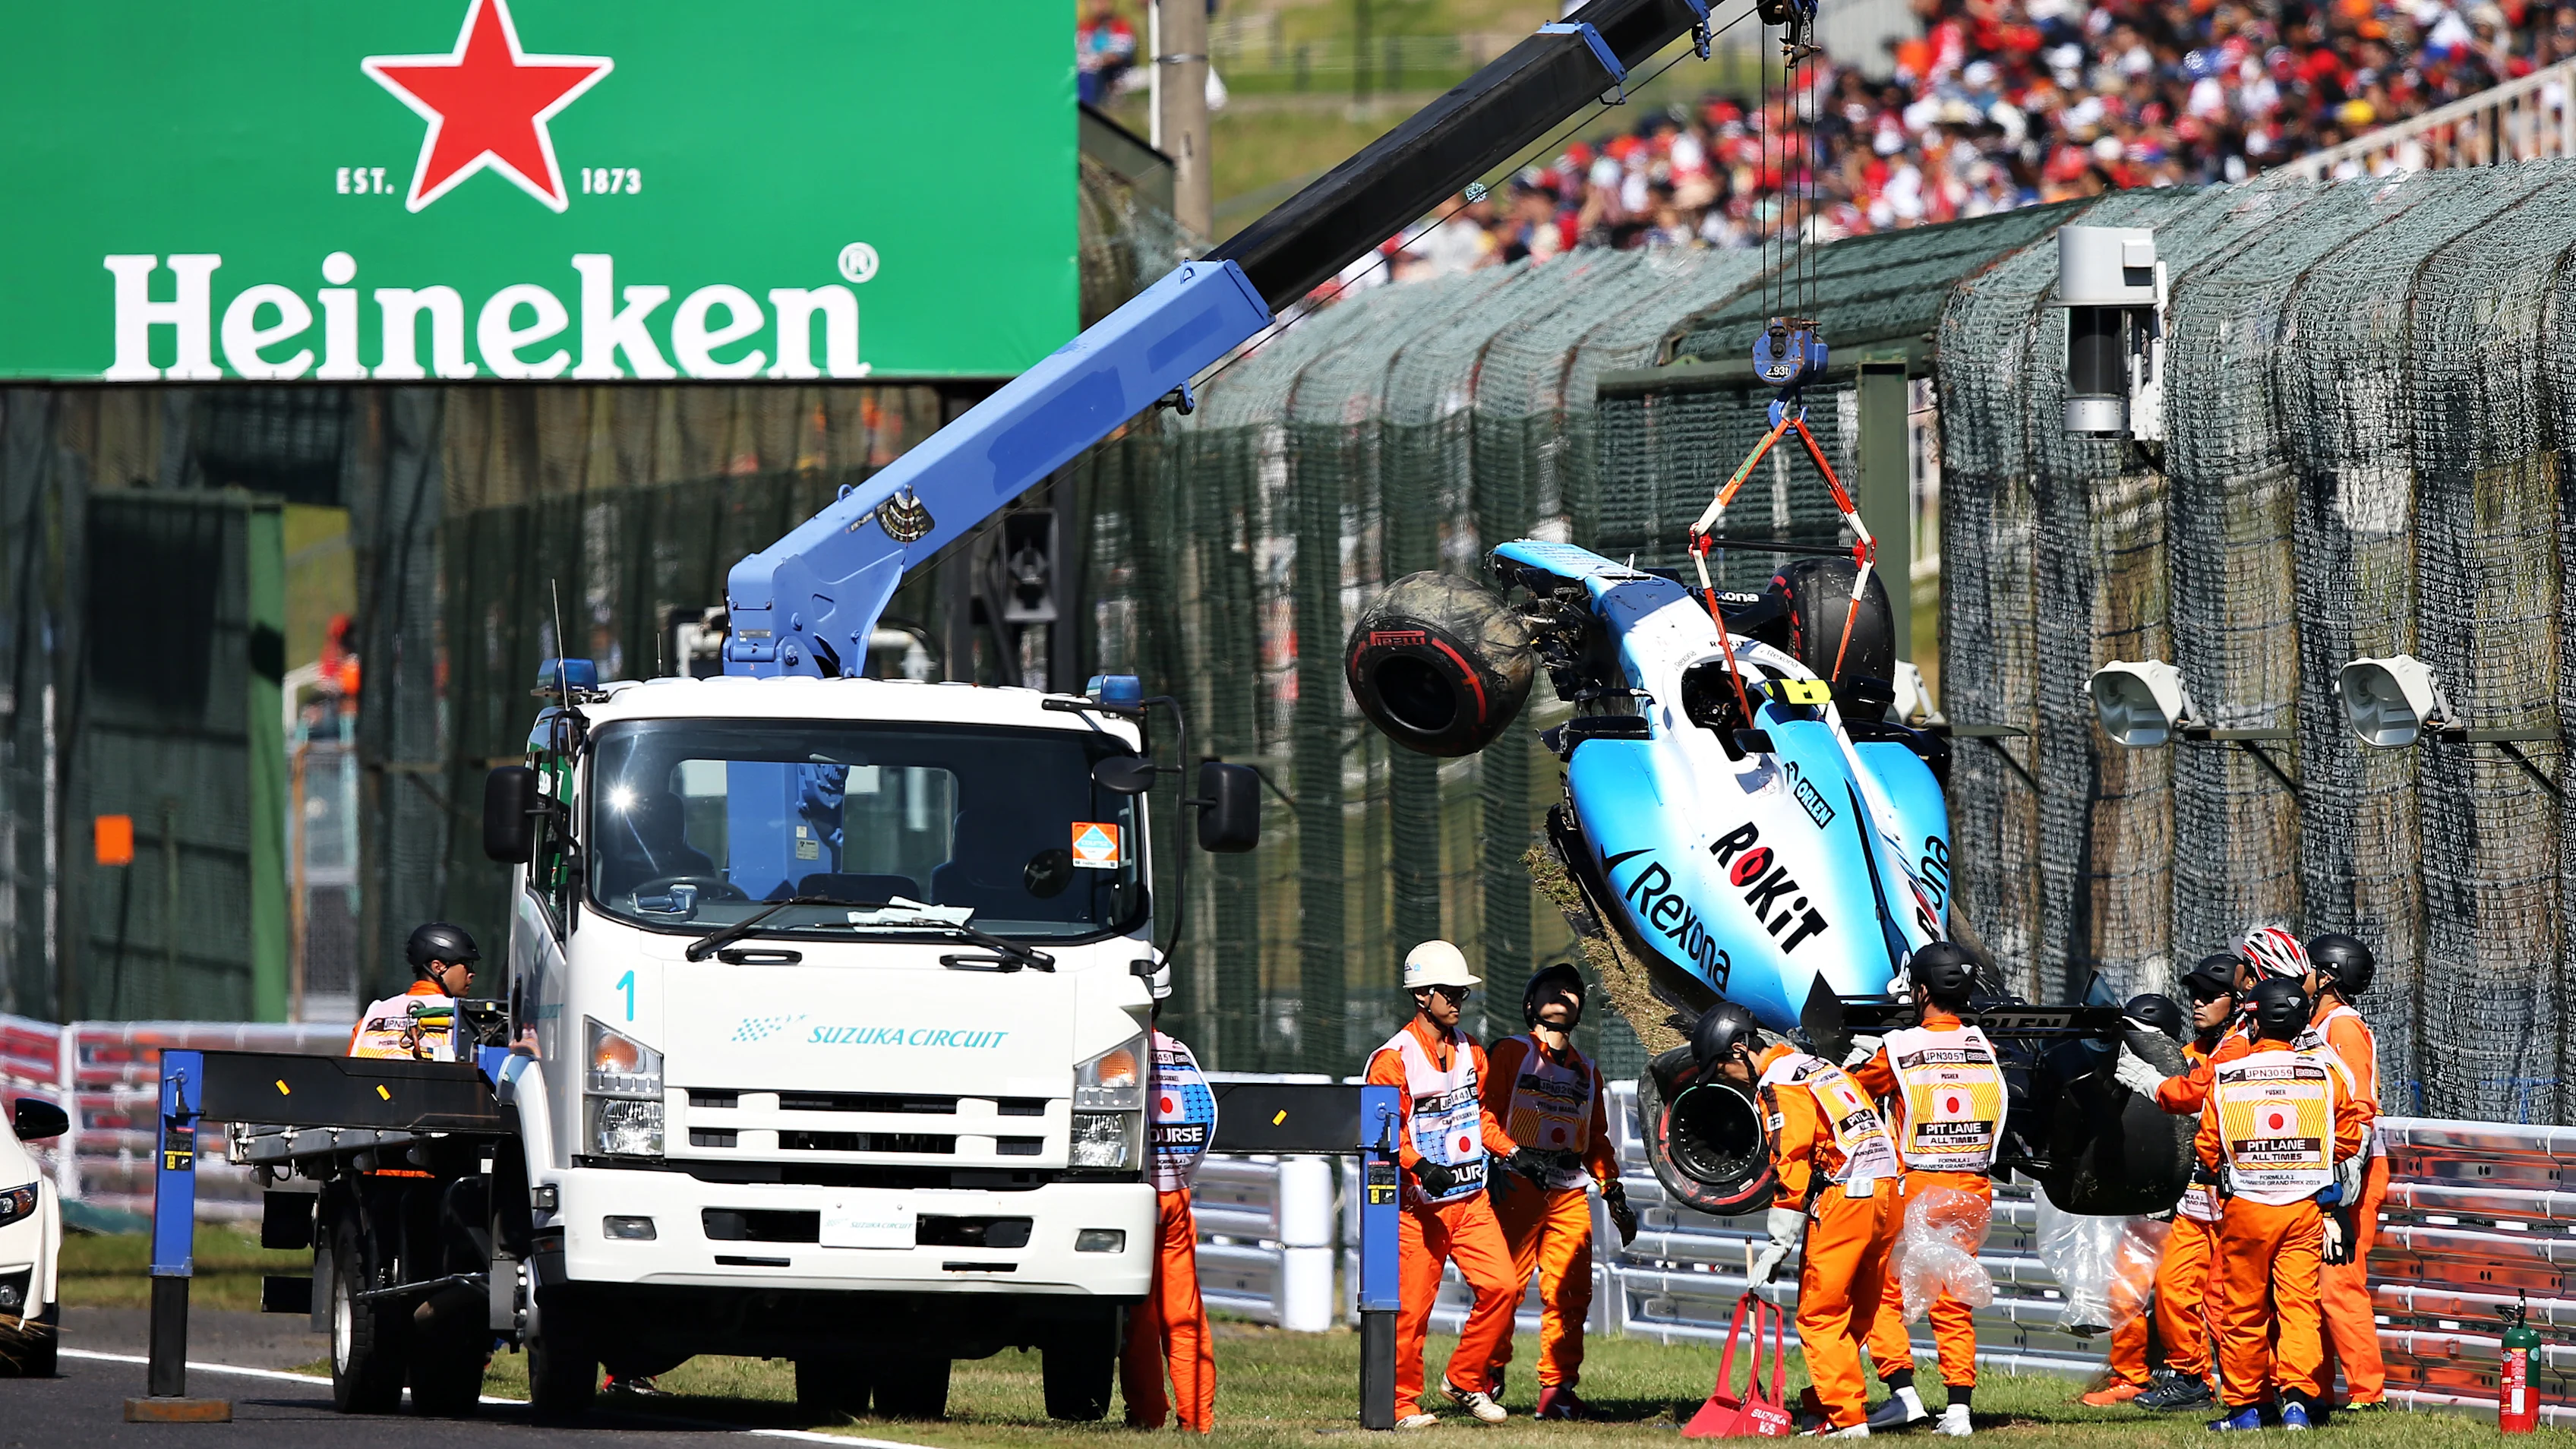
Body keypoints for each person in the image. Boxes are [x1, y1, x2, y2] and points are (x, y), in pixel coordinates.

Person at [1704, 1002, 1902, 1438]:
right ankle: (1826, 1407)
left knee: (1819, 1314)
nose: (1723, 1078)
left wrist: (1779, 1239)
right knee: (1857, 1312)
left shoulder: (1779, 1084)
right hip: (1888, 1192)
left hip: (1846, 1197)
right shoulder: (1818, 1067)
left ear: (1739, 1051)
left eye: (1720, 1067)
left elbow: (1789, 1157)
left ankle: (1848, 1422)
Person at [1365, 940, 1531, 1428]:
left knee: (1504, 1287)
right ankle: (1399, 1405)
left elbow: (1478, 1118)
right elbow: (1384, 1131)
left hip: (1471, 1199)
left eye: (1462, 992)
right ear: (1423, 996)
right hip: (1419, 1208)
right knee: (1412, 1311)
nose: (1459, 999)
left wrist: (1516, 1153)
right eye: (1450, 991)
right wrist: (1419, 1166)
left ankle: (1464, 1380)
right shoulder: (1392, 1060)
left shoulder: (1472, 1053)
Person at [2197, 977, 2370, 1432]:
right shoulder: (2322, 1073)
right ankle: (2297, 1400)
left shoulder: (2227, 1076)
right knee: (2299, 1305)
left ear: (2253, 1021)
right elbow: (2350, 1137)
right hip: (2304, 1208)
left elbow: (2208, 1145)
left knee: (2244, 1311)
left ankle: (2247, 1408)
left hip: (2248, 1208)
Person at [1852, 942, 2003, 1438]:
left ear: (1920, 990)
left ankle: (1903, 1393)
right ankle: (1958, 1409)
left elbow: (1858, 1090)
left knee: (1882, 1294)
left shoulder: (1899, 1047)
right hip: (1974, 1190)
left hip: (1918, 1185)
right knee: (1952, 1295)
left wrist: (1855, 1060)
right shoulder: (1984, 1045)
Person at [1478, 963, 1637, 1420]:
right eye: (1553, 990)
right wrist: (1511, 1154)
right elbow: (1484, 1116)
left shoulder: (1588, 1071)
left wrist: (1613, 1191)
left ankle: (1558, 1391)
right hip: (1517, 1184)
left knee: (1571, 1292)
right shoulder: (1510, 1053)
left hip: (1569, 1190)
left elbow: (1597, 1139)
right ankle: (1486, 1375)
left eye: (1572, 992)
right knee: (1503, 1286)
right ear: (1530, 1004)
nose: (1565, 995)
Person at [2133, 958, 2243, 1413]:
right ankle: (2191, 1378)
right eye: (2194, 992)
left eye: (2210, 994)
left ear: (2237, 1002)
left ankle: (2251, 1389)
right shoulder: (2194, 1049)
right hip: (2194, 1197)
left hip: (2234, 1195)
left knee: (2227, 1304)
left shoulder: (2241, 1047)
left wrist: (2158, 1086)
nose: (2198, 1001)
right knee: (2174, 1290)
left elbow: (2196, 1096)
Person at [1122, 965, 1217, 1432]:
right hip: (1177, 1197)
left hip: (1133, 1200)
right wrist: (1181, 1175)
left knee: (1140, 1317)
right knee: (1185, 1313)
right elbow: (1206, 1119)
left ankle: (1146, 1413)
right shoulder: (1179, 1053)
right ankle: (1197, 1418)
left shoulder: (1115, 1052)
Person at [2083, 994, 2185, 1409]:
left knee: (2187, 1300)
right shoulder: (2116, 1073)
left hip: (2190, 1211)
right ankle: (2130, 1377)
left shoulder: (2195, 1066)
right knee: (2124, 1293)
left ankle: (2192, 1378)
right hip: (2144, 1208)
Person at [2303, 933, 2388, 1412]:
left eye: (2309, 968)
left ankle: (2366, 1392)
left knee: (2339, 1279)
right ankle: (2317, 1390)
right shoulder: (2316, 1024)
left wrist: (2343, 1178)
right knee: (2314, 1282)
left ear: (2328, 976)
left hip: (2354, 1171)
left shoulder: (2343, 1027)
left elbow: (2360, 1108)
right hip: (2326, 1171)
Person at [349, 923, 477, 1060]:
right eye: (467, 964)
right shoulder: (464, 1018)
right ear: (438, 967)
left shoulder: (372, 1015)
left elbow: (350, 1070)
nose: (472, 973)